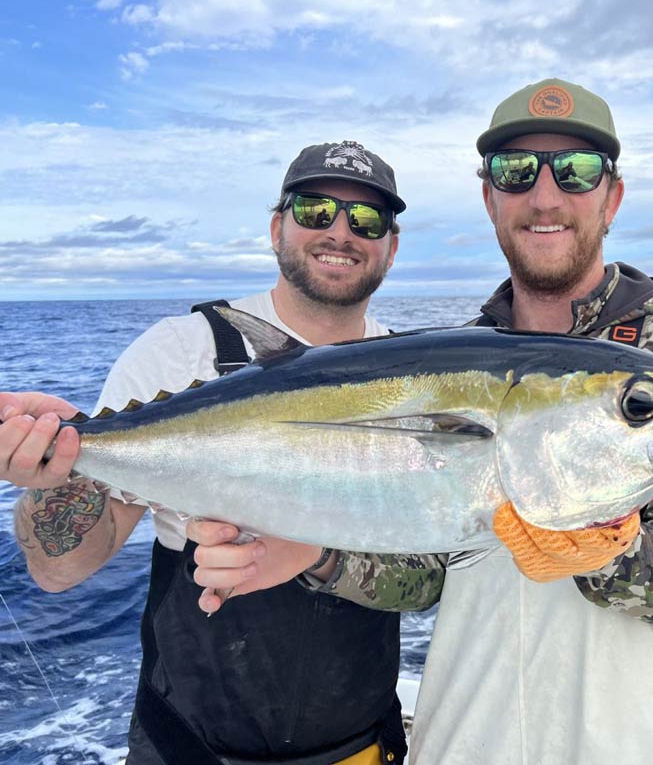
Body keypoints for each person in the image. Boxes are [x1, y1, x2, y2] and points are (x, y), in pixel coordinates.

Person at [190, 79, 653, 764]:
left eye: (575, 172)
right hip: (466, 742)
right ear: (490, 198)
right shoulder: (450, 360)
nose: (545, 197)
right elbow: (431, 572)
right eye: (516, 172)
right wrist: (315, 555)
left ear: (612, 197)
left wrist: (607, 550)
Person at [0, 141, 445, 765]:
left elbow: (428, 576)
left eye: (366, 219)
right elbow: (59, 570)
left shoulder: (422, 376)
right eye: (315, 210)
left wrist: (312, 556)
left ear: (391, 247)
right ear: (276, 228)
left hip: (361, 749)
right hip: (187, 749)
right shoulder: (179, 354)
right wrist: (49, 469)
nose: (340, 232)